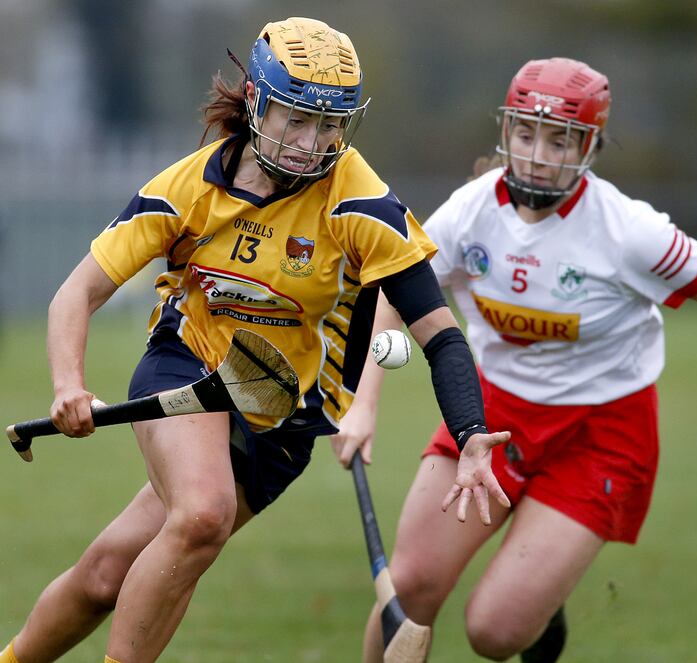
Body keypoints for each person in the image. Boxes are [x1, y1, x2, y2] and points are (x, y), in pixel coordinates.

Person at [0, 17, 510, 663]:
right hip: (189, 364)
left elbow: (440, 335)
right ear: (255, 103)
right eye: (296, 119)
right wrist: (68, 382)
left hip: (287, 415)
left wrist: (469, 435)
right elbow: (76, 295)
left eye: (330, 125)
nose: (311, 142)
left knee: (108, 573)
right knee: (204, 513)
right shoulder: (185, 188)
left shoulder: (363, 203)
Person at [330, 57, 697, 662]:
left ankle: (540, 604)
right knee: (411, 588)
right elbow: (396, 291)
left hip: (601, 432)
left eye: (561, 139)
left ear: (590, 146)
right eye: (527, 133)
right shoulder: (471, 209)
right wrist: (363, 404)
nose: (540, 154)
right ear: (506, 132)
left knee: (493, 633)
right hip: (490, 413)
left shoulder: (629, 231)